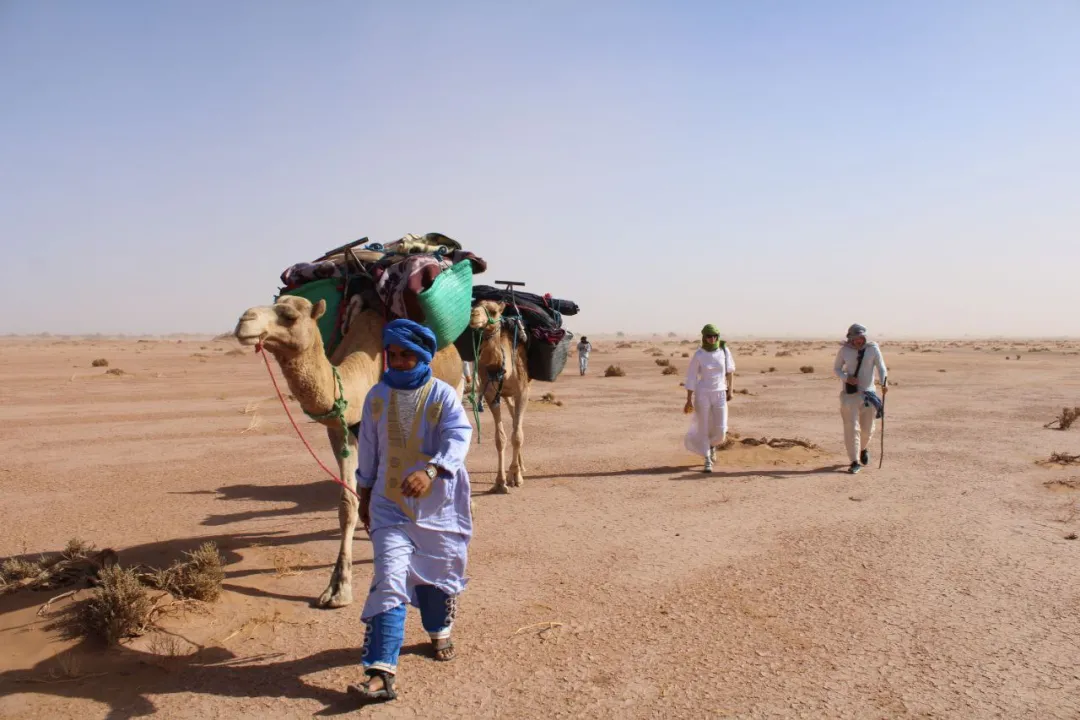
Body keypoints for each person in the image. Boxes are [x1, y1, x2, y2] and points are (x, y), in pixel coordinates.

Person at [347, 319, 474, 702]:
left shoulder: (443, 395)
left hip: (439, 505)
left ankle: (438, 629)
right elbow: (367, 448)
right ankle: (381, 671)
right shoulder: (376, 396)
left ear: (423, 356)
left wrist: (432, 469)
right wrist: (365, 494)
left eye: (407, 355)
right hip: (389, 504)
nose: (399, 362)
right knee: (389, 577)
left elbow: (459, 434)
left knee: (436, 571)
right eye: (394, 355)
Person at [833, 323, 888, 474]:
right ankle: (854, 461)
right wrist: (846, 378)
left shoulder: (872, 348)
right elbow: (836, 368)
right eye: (856, 338)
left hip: (868, 395)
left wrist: (884, 383)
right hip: (850, 396)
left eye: (861, 337)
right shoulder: (844, 350)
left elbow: (881, 367)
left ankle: (863, 449)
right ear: (850, 338)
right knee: (851, 428)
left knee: (867, 430)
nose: (859, 341)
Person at [683, 324, 735, 473]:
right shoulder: (699, 354)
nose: (712, 339)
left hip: (720, 392)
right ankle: (707, 458)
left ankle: (711, 446)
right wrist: (688, 399)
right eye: (709, 336)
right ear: (704, 337)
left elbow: (730, 371)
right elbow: (692, 377)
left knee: (721, 431)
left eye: (714, 336)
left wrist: (730, 390)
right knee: (704, 427)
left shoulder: (724, 351)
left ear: (718, 337)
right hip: (703, 393)